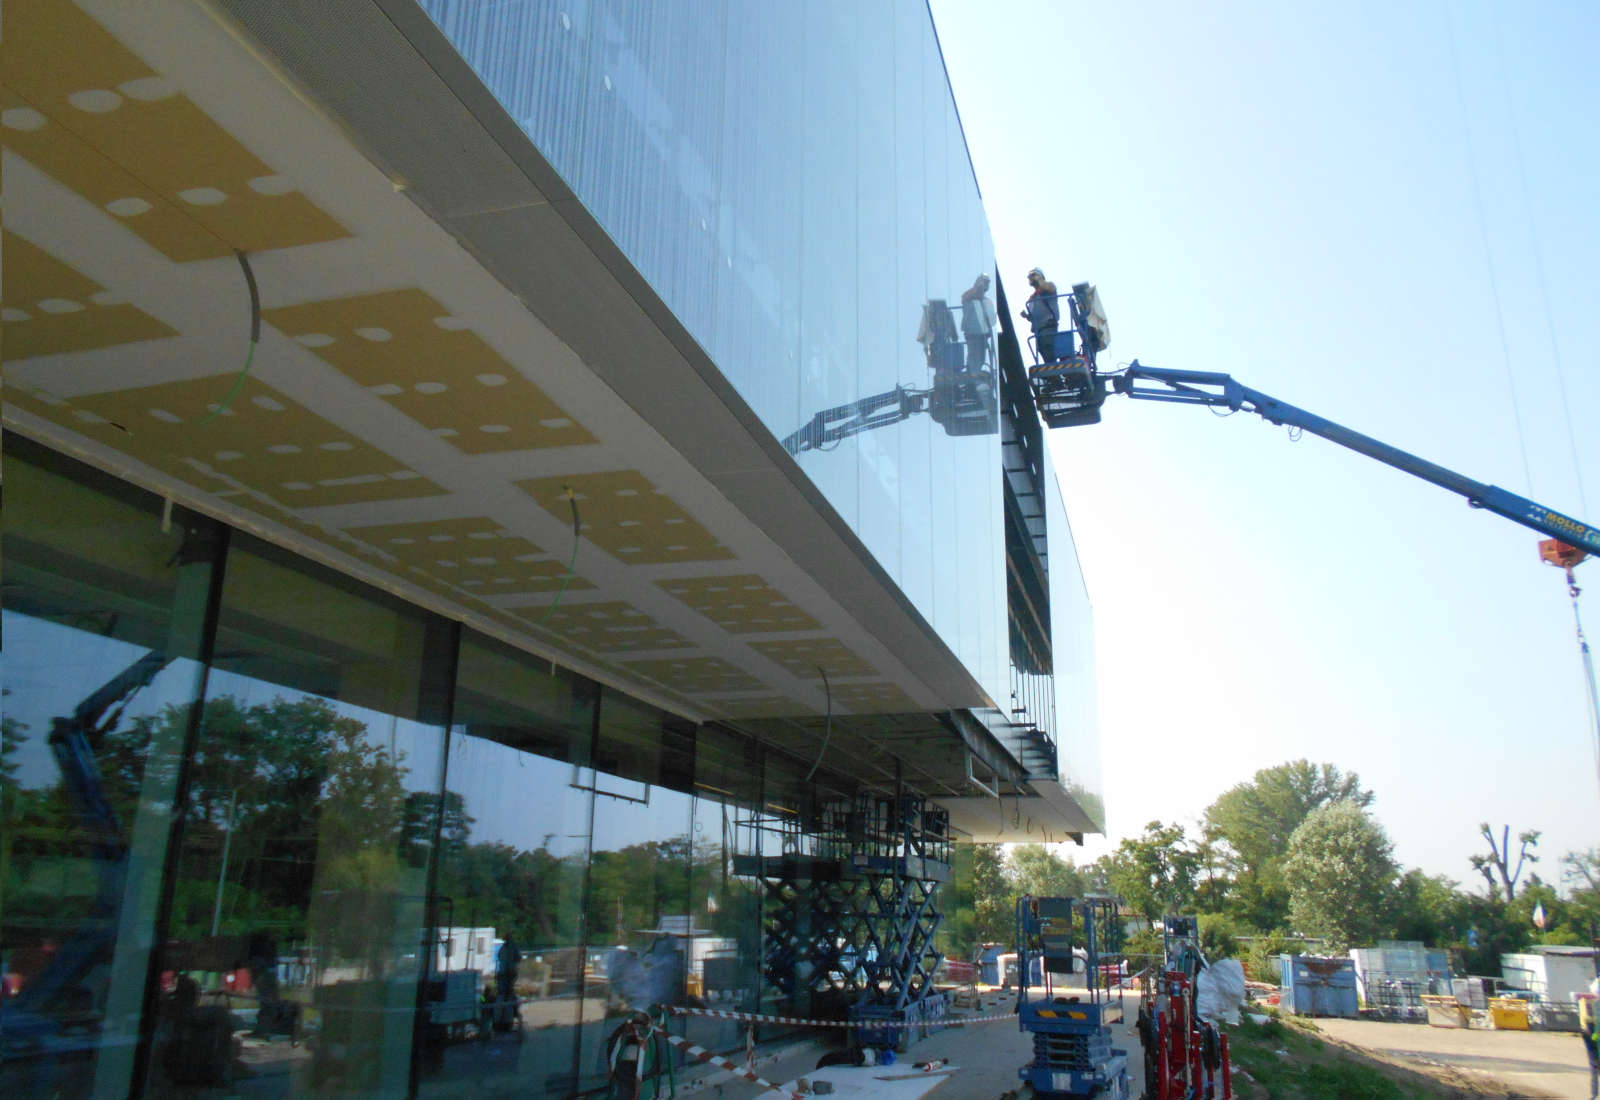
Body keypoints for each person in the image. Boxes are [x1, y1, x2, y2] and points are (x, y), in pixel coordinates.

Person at [1021, 267, 1062, 363]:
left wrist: (1038, 279)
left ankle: (1052, 369)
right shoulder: (1033, 298)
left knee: (1047, 347)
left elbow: (1048, 287)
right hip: (1038, 330)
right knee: (1041, 349)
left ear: (1041, 277)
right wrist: (1027, 316)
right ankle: (1052, 373)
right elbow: (1034, 316)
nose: (1030, 278)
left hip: (1048, 325)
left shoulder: (1048, 288)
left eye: (1033, 275)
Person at [959, 273, 996, 371]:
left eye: (986, 282)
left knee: (981, 358)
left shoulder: (987, 301)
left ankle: (975, 373)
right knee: (974, 356)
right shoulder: (968, 297)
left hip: (983, 334)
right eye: (983, 281)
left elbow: (992, 319)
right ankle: (973, 374)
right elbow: (965, 297)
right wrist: (977, 288)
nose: (985, 284)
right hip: (972, 333)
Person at [1581, 987, 1598, 1099]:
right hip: (1594, 1052)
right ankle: (1594, 1095)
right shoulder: (1588, 1023)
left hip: (1594, 1050)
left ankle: (1594, 1095)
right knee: (1594, 1070)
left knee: (1594, 1071)